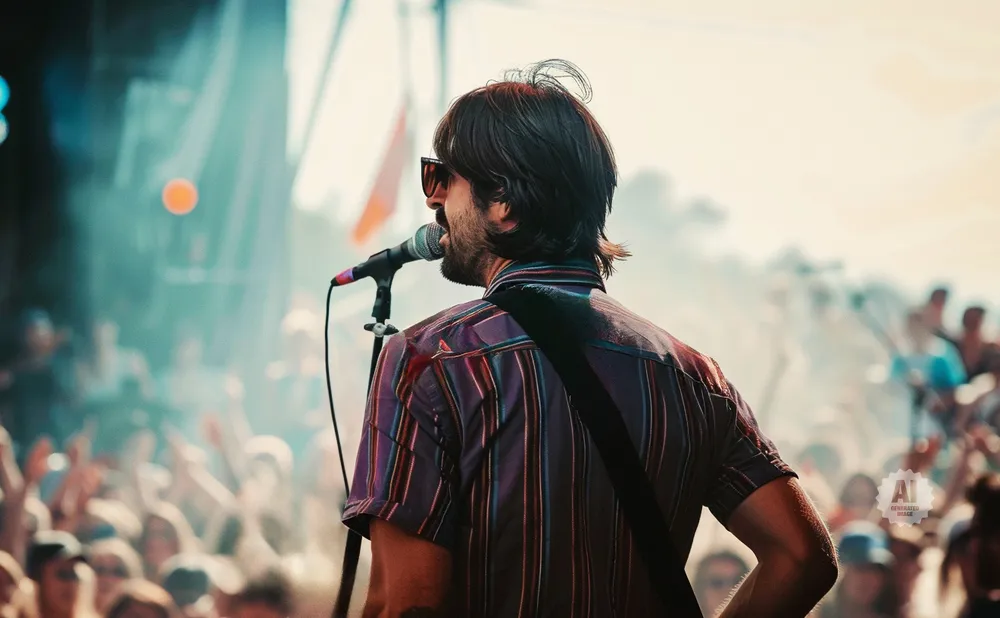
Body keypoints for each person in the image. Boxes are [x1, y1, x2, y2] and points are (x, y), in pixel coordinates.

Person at [342, 59, 837, 617]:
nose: (432, 200)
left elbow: (404, 607)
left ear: (502, 201)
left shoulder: (431, 361)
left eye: (440, 177)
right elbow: (803, 557)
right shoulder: (695, 376)